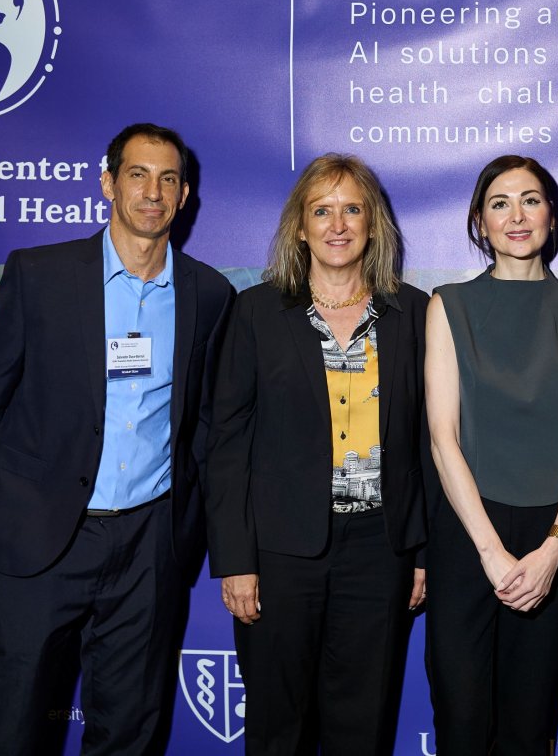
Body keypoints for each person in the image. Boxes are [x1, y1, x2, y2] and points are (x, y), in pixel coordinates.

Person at [0, 122, 234, 754]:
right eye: (137, 175)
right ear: (108, 184)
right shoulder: (42, 275)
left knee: (129, 733)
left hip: (148, 547)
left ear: (184, 195)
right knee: (11, 731)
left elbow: (205, 430)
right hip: (38, 540)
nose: (152, 192)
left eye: (168, 179)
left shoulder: (209, 294)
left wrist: (207, 543)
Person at [205, 154, 429, 755]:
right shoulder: (256, 312)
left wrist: (421, 552)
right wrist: (235, 559)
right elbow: (226, 443)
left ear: (373, 224)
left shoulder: (412, 312)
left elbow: (429, 442)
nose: (337, 224)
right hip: (280, 553)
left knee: (362, 724)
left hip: (380, 550)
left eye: (352, 209)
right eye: (321, 211)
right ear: (300, 227)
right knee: (278, 726)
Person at [424, 155, 558, 755]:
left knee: (529, 728)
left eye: (531, 200)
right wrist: (489, 551)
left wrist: (555, 548)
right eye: (499, 203)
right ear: (480, 221)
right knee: (460, 723)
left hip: (553, 537)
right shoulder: (447, 305)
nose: (517, 216)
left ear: (552, 215)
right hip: (466, 533)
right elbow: (442, 438)